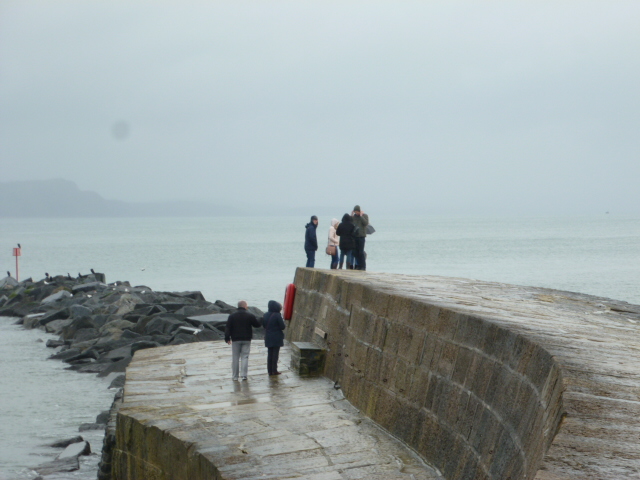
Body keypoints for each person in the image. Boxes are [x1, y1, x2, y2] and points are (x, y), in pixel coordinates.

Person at [224, 300, 261, 381]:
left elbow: (228, 327)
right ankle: (244, 375)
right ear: (245, 306)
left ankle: (235, 376)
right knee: (245, 357)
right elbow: (257, 325)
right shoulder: (250, 315)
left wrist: (227, 338)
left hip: (235, 339)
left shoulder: (232, 316)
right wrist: (261, 319)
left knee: (235, 358)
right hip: (246, 339)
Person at [262, 300, 286, 375]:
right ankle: (274, 370)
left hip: (268, 336)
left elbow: (264, 325)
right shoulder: (277, 315)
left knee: (270, 354)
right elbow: (282, 327)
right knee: (275, 354)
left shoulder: (265, 315)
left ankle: (269, 370)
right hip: (276, 337)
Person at [352, 205, 369, 271]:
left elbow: (365, 223)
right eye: (355, 212)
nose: (356, 213)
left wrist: (361, 216)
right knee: (355, 252)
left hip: (361, 236)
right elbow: (352, 223)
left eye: (357, 212)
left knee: (361, 252)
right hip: (355, 236)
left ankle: (363, 266)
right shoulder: (354, 217)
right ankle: (358, 265)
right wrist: (352, 215)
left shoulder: (365, 216)